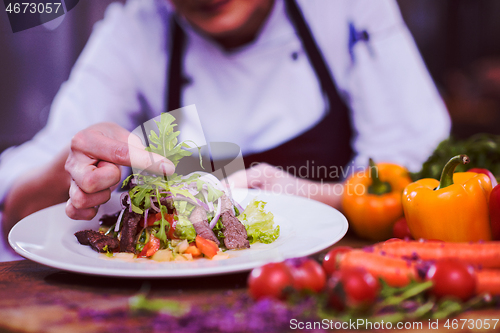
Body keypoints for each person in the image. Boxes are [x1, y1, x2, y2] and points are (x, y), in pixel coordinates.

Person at [0, 0, 450, 261]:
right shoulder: (134, 26)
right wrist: (78, 169)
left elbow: (411, 175)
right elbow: (17, 201)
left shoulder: (346, 8)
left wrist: (316, 195)